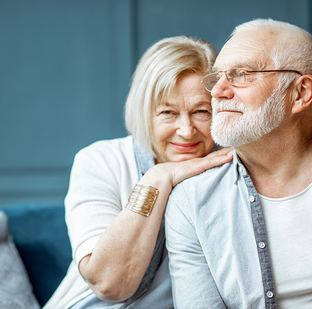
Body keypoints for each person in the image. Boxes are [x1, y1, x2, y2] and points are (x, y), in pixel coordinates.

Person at [44, 36, 233, 309]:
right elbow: (109, 283)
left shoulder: (233, 168)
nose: (186, 130)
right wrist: (158, 179)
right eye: (168, 112)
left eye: (201, 111)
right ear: (145, 111)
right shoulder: (100, 161)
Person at [165, 19, 312, 309]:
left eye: (241, 74)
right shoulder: (192, 201)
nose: (218, 91)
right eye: (216, 77)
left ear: (300, 93)